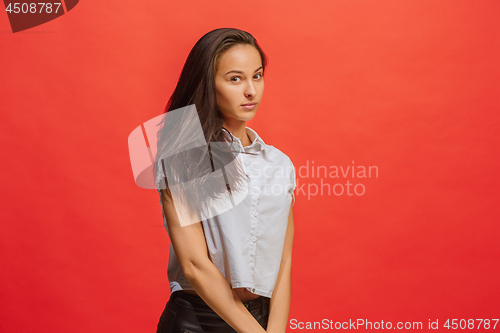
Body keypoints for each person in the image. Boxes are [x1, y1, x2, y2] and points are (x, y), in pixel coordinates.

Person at [153, 28, 297, 333]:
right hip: (197, 322)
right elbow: (194, 266)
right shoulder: (183, 157)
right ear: (208, 85)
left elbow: (282, 263)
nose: (251, 91)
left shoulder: (279, 164)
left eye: (257, 76)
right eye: (235, 78)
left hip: (263, 318)